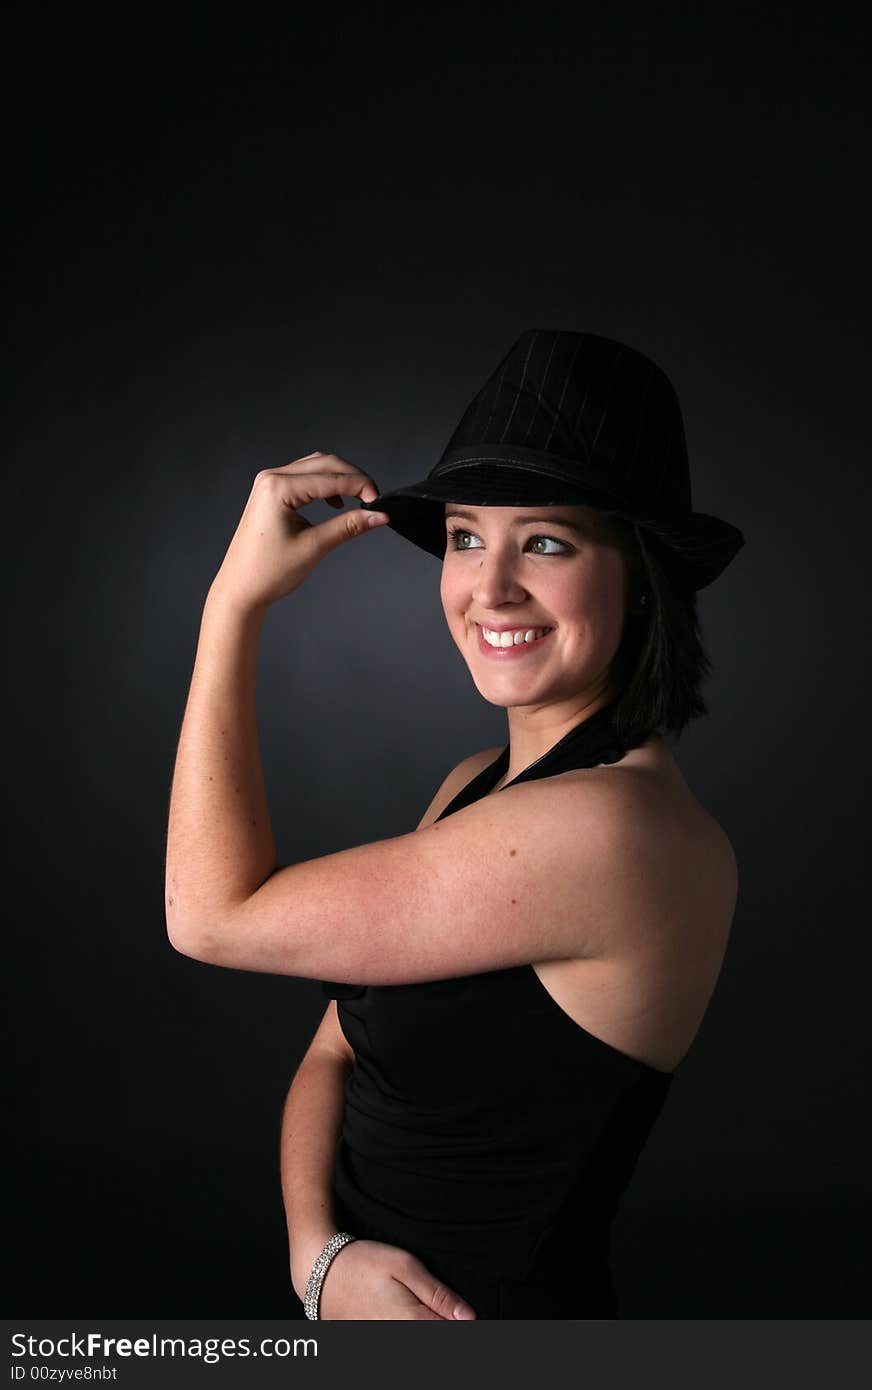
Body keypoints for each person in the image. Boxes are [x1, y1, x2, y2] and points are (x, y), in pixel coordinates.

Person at [165, 328, 745, 1321]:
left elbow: (209, 915)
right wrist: (320, 1255)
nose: (489, 587)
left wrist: (233, 605)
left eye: (548, 542)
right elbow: (333, 1051)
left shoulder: (615, 834)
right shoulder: (475, 785)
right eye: (469, 535)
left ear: (640, 575)